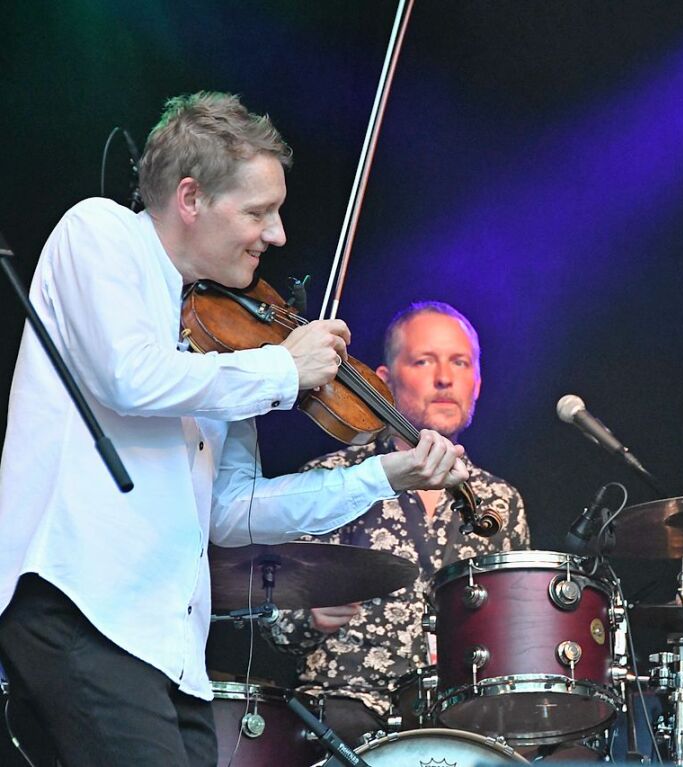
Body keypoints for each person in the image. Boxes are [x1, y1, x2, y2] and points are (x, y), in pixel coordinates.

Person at [0, 92, 468, 766]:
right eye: (257, 212)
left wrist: (383, 474)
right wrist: (280, 365)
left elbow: (232, 511)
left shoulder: (221, 342)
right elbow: (130, 378)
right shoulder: (99, 233)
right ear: (190, 198)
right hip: (82, 606)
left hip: (167, 646)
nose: (276, 235)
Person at [265, 302, 530, 743]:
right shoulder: (329, 480)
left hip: (462, 723)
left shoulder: (502, 501)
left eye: (459, 362)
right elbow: (270, 622)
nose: (444, 378)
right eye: (424, 360)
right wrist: (308, 614)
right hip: (344, 716)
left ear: (477, 383)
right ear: (384, 382)